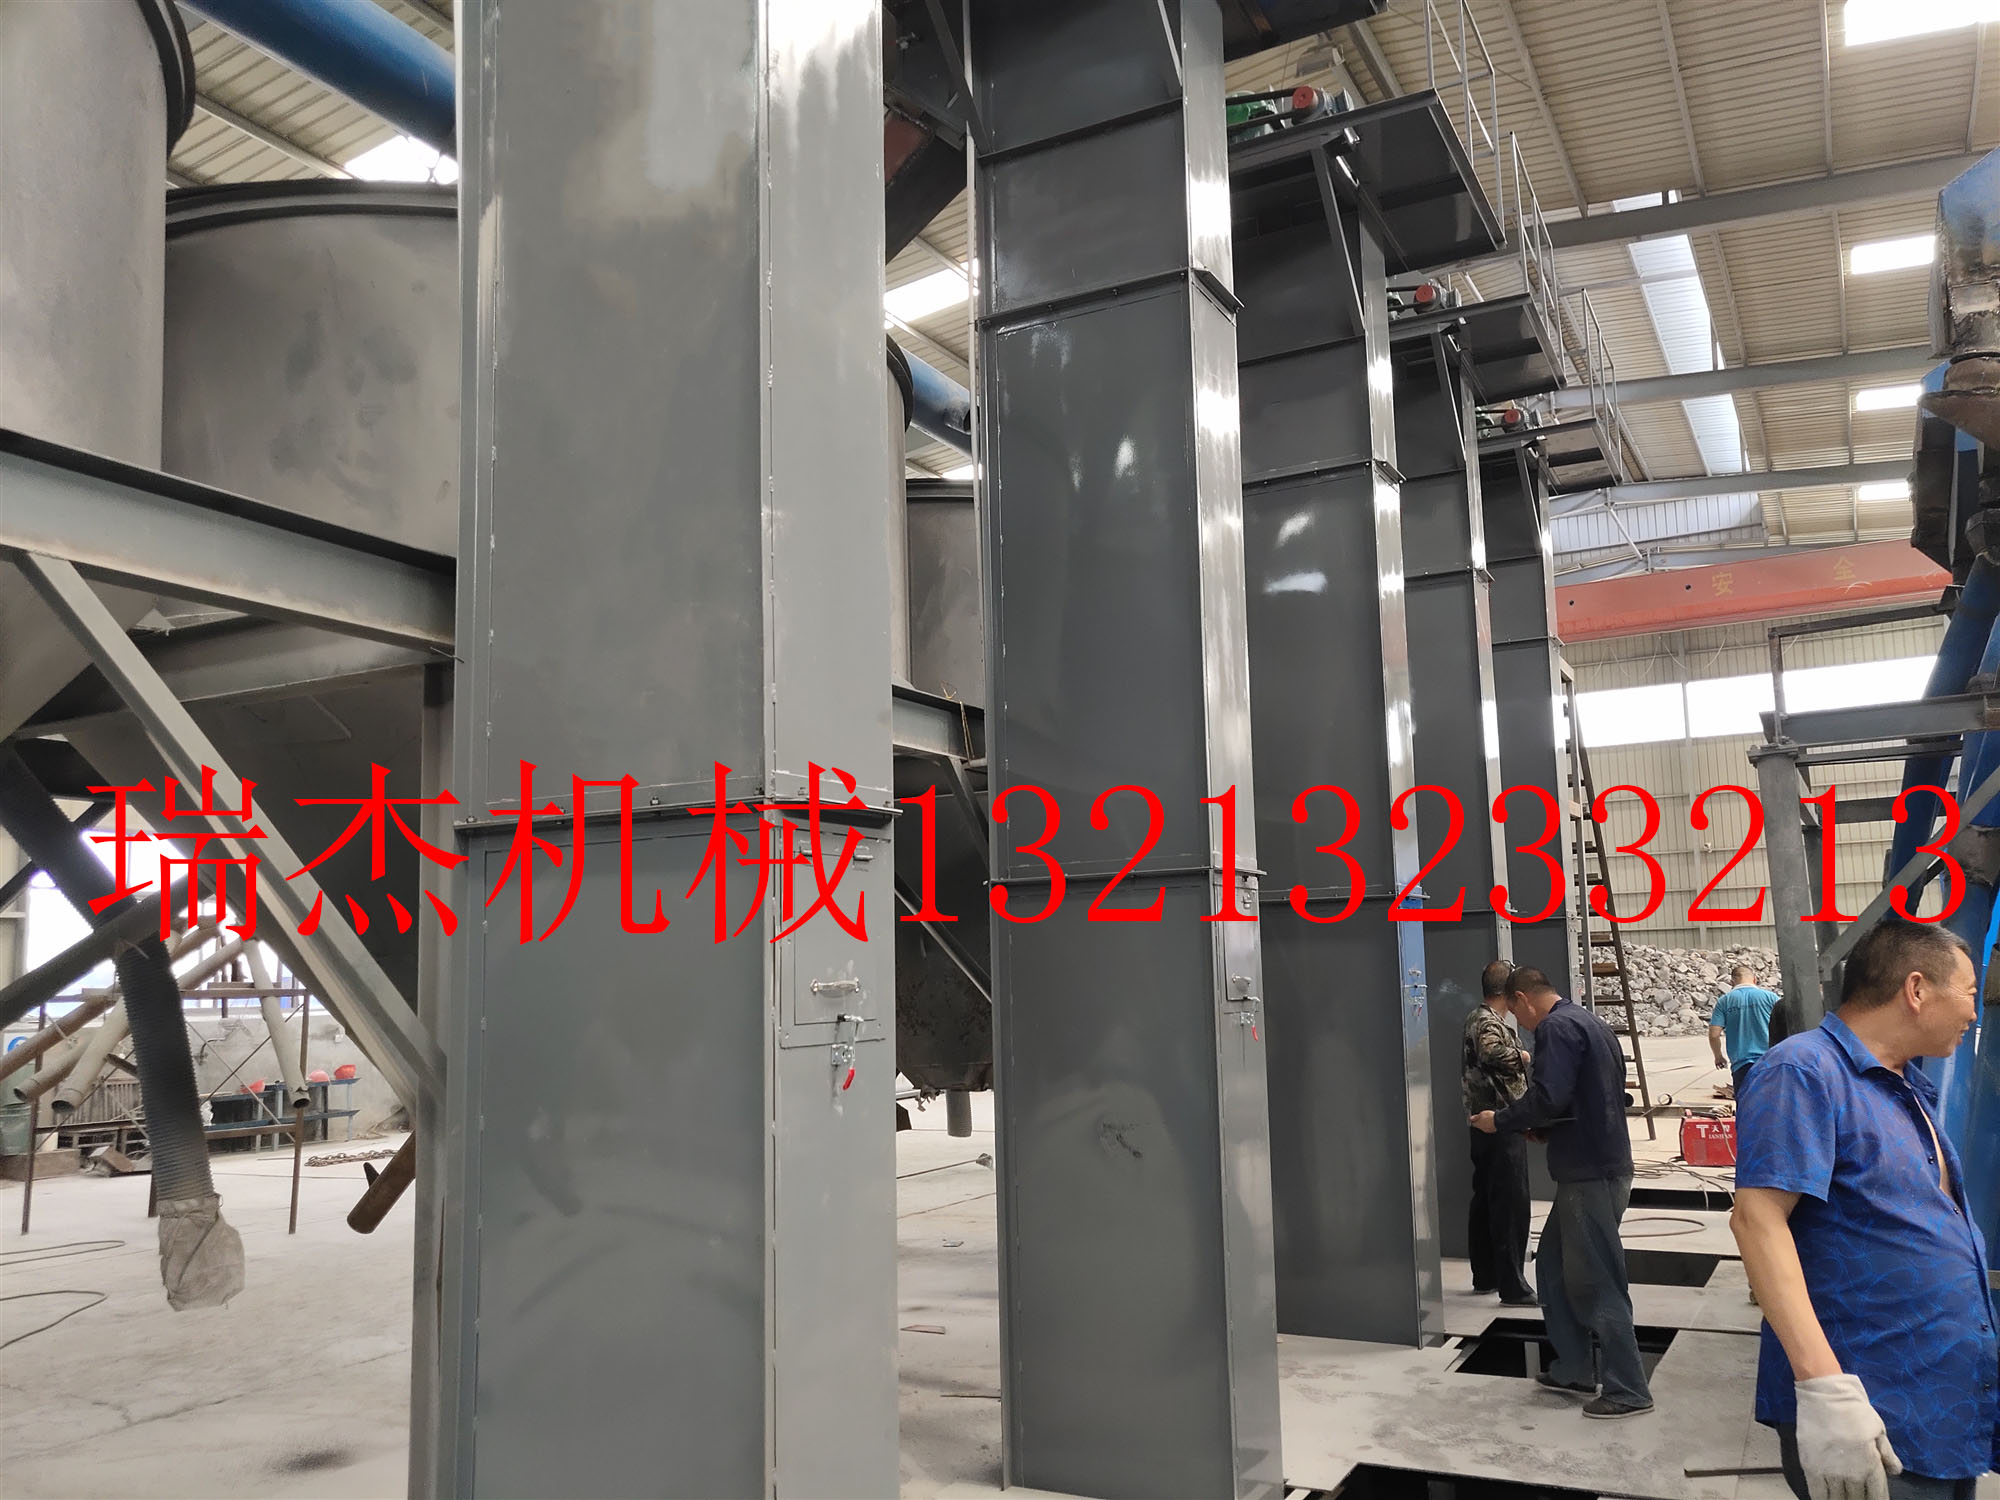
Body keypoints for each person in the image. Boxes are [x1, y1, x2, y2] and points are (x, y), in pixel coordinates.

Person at [1731, 917, 1995, 1500]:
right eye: (1969, 993)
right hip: (1875, 1410)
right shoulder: (1804, 1071)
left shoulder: (1901, 1085)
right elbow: (1757, 1220)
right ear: (1916, 989)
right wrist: (1825, 1388)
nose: (1974, 1012)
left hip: (1938, 1405)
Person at [1471, 967, 1652, 1420]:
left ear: (1522, 999)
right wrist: (1547, 1130)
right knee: (1551, 1265)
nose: (1520, 1024)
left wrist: (1501, 1120)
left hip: (1590, 1173)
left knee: (1597, 1278)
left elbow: (1549, 1096)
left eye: (1517, 1014)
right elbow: (1594, 1096)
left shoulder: (1555, 1028)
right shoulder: (1590, 1022)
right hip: (1595, 1164)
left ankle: (1629, 1388)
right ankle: (1573, 1368)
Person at [1463, 959, 1536, 1306]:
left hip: (1489, 1125)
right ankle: (1512, 1284)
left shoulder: (1481, 1019)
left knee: (1488, 1202)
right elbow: (1492, 1053)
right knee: (1510, 1205)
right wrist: (1523, 1056)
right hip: (1499, 1124)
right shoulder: (1486, 1022)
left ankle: (1487, 1275)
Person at [1710, 964, 1781, 1093]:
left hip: (1741, 1065)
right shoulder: (1771, 997)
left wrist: (1718, 1056)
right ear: (1755, 979)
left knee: (1745, 1102)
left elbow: (1714, 1035)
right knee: (1772, 1101)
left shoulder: (1724, 1001)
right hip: (1770, 1061)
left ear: (1732, 982)